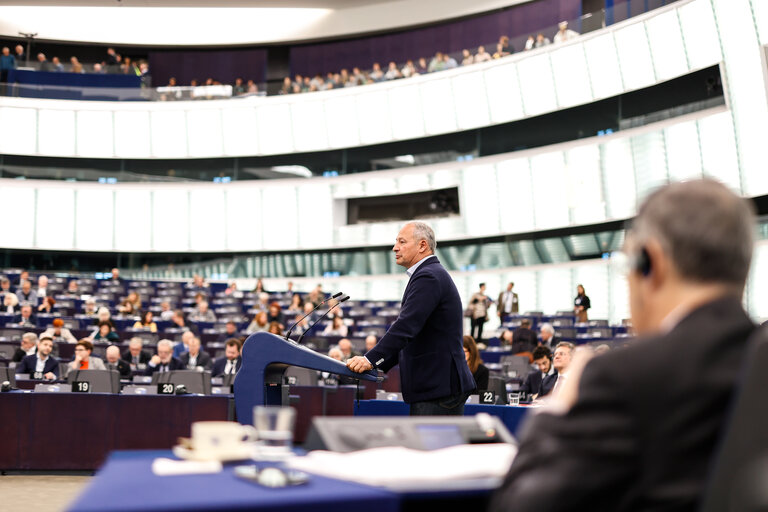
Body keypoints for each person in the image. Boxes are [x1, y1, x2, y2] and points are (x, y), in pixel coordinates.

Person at [491, 179, 757, 511]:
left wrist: (557, 409)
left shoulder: (623, 378)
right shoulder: (753, 360)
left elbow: (519, 506)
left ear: (651, 262)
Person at [347, 222, 475, 415]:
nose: (395, 247)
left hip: (438, 389)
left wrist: (370, 359)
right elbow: (414, 333)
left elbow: (406, 327)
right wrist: (376, 367)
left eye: (401, 241)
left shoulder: (429, 276)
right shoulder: (429, 274)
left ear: (422, 245)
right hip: (436, 387)